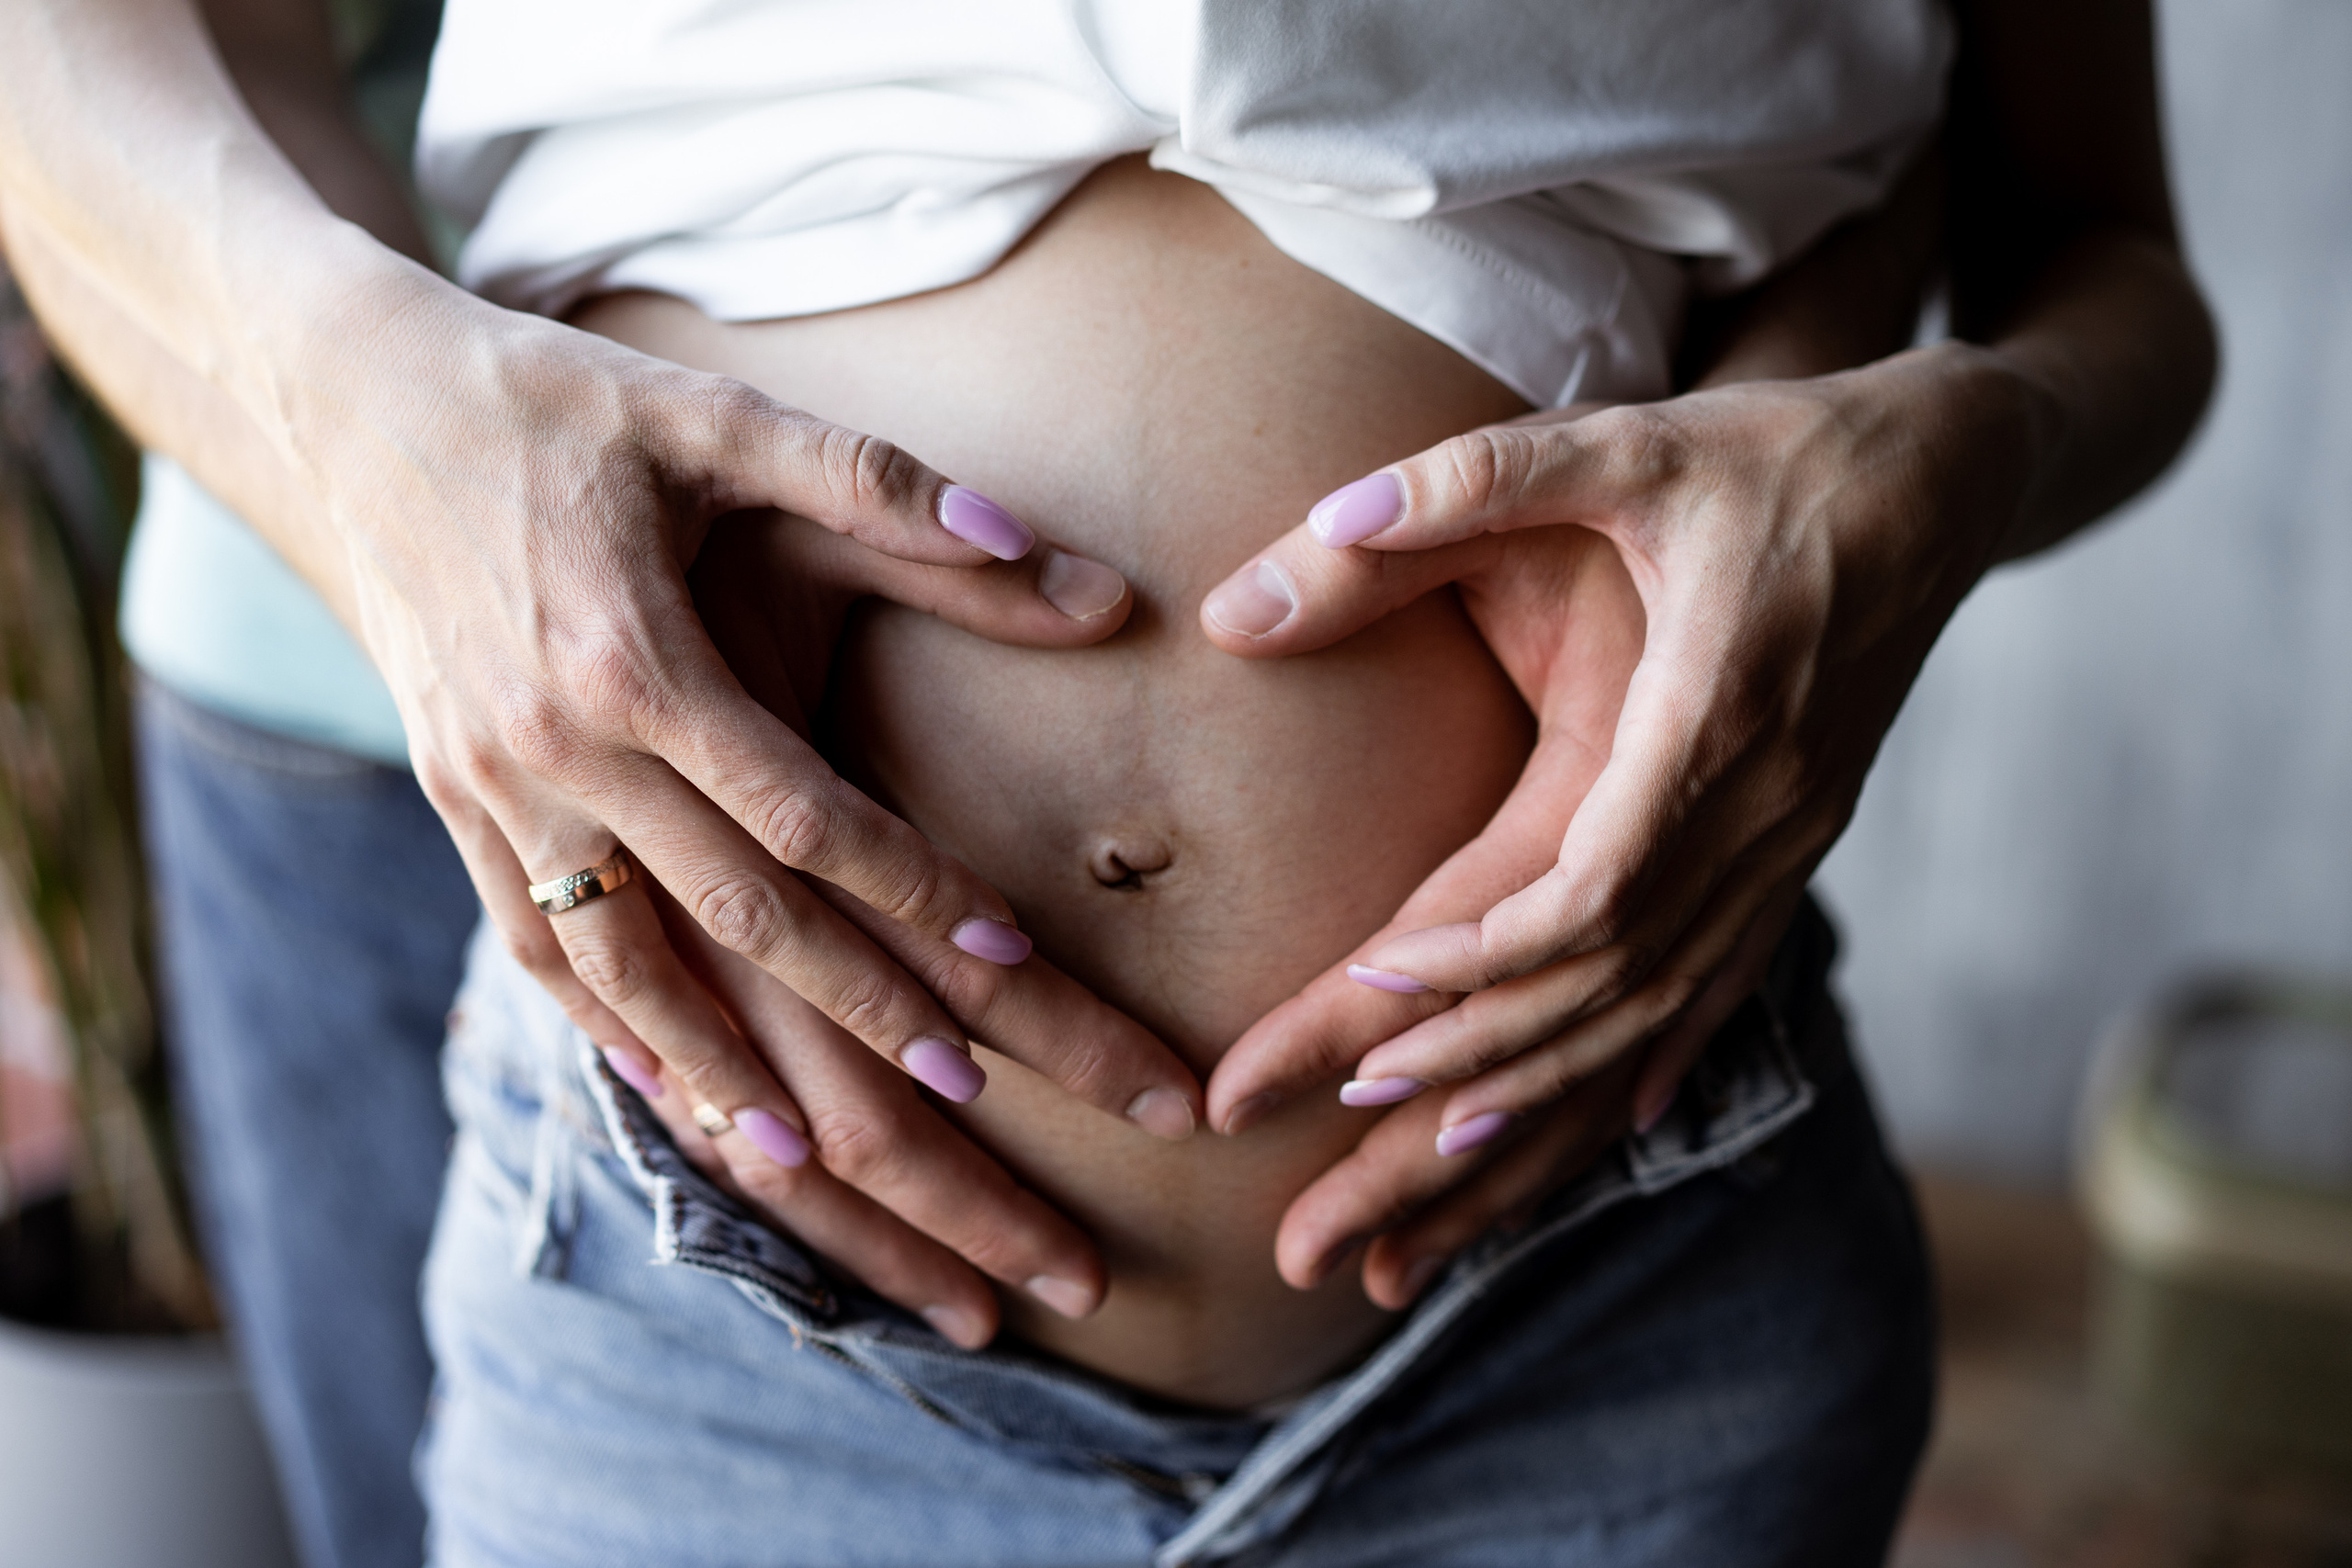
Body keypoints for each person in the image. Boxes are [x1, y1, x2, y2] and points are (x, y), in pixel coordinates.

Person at [0, 0, 2214, 1564]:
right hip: (728, 1340)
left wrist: (1964, 434)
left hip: (1604, 1305)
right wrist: (362, 409)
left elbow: (2102, 256)